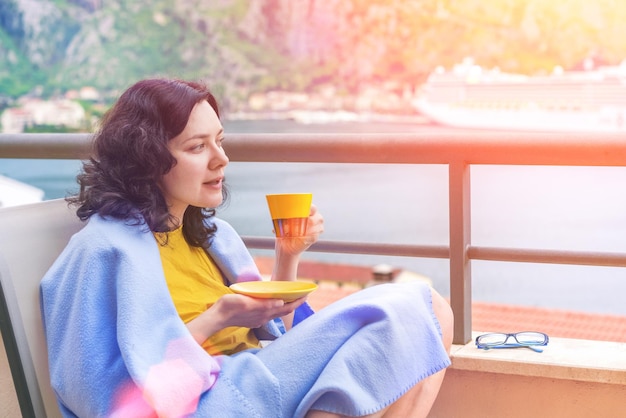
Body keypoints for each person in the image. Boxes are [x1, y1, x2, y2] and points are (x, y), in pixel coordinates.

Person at [40, 78, 453, 418]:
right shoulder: (102, 249)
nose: (221, 160)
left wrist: (287, 255)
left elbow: (275, 332)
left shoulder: (212, 236)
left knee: (432, 313)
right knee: (415, 307)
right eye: (197, 147)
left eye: (219, 141)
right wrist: (217, 317)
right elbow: (96, 394)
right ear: (147, 158)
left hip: (256, 380)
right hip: (208, 403)